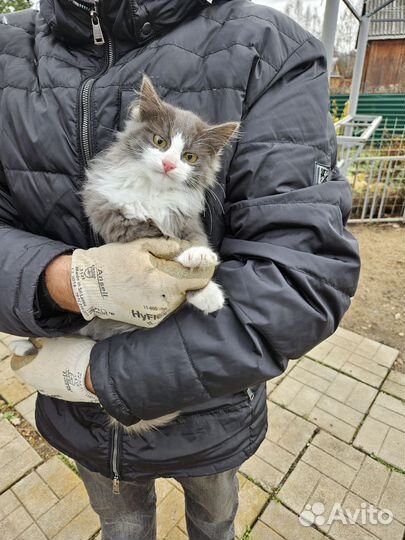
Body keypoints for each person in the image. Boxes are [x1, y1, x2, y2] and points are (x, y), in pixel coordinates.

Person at [0, 1, 360, 539]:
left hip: (206, 406)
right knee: (121, 525)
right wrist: (58, 279)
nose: (172, 160)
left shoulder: (267, 46)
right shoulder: (9, 48)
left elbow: (302, 276)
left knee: (214, 521)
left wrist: (100, 376)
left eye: (186, 157)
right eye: (163, 146)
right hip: (78, 417)